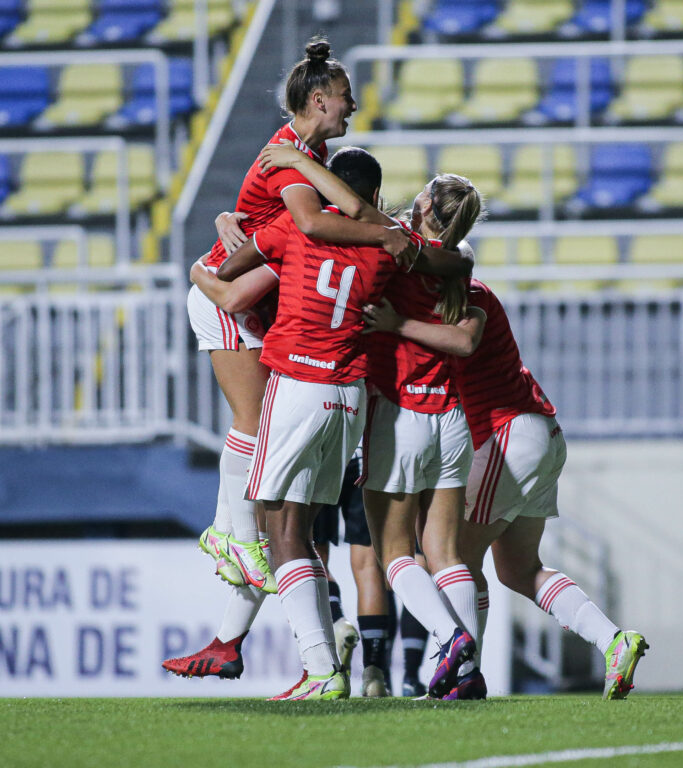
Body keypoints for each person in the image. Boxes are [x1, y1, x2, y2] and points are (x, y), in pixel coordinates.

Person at [166, 148, 471, 688]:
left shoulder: (295, 226)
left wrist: (198, 269)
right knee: (314, 535)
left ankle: (318, 664)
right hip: (351, 398)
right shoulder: (392, 247)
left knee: (280, 528)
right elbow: (457, 263)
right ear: (376, 198)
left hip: (299, 385)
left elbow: (232, 291)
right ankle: (262, 644)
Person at [168, 37, 415, 680]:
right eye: (344, 98)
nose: (353, 105)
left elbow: (295, 217)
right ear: (317, 99)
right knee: (258, 451)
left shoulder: (309, 154)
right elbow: (310, 223)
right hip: (233, 302)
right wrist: (385, 233)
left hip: (263, 307)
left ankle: (230, 639)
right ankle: (228, 535)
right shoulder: (293, 161)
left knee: (289, 521)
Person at [260, 142, 488, 700]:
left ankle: (449, 637)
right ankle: (467, 673)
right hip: (453, 419)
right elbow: (459, 310)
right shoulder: (457, 261)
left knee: (392, 556)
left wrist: (295, 162)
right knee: (446, 553)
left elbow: (344, 218)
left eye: (424, 194)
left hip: (397, 411)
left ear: (426, 206)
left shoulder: (389, 248)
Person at [361, 278, 648, 700]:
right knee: (518, 569)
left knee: (453, 555)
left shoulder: (462, 295)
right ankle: (613, 642)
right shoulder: (467, 291)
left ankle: (463, 676)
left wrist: (395, 322)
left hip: (506, 431)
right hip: (540, 431)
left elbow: (460, 341)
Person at [311, 446, 397, 698]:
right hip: (364, 455)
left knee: (314, 560)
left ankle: (337, 622)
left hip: (323, 452)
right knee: (369, 565)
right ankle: (374, 673)